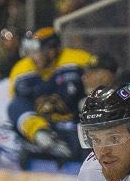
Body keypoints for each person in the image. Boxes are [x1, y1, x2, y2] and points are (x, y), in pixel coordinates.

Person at [7, 27, 92, 163]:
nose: (32, 56)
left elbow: (105, 81)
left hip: (78, 128)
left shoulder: (80, 60)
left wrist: (89, 101)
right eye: (30, 51)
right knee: (15, 105)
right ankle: (41, 135)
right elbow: (17, 107)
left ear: (52, 49)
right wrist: (38, 132)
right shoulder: (20, 70)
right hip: (46, 132)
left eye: (36, 51)